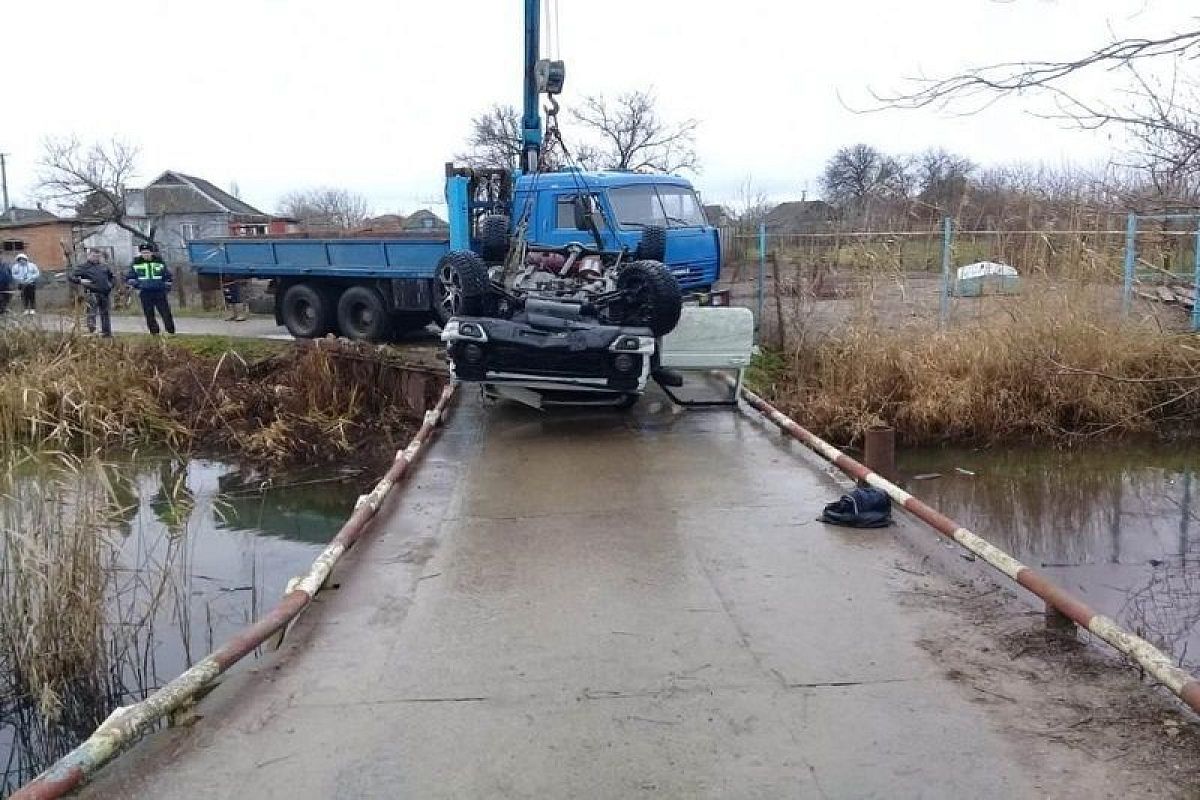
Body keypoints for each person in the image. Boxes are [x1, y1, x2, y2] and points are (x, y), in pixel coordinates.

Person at [126, 243, 176, 335]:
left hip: (159, 291)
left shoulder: (159, 262)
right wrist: (138, 285)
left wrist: (167, 287)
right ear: (140, 253)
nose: (145, 254)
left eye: (147, 252)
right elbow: (130, 277)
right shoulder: (136, 263)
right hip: (145, 292)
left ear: (151, 252)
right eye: (143, 253)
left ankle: (170, 331)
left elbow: (167, 276)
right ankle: (154, 332)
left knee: (165, 312)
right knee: (149, 313)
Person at [69, 249, 115, 337]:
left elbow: (112, 277)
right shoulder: (84, 267)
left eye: (97, 256)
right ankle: (92, 331)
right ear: (89, 256)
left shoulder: (103, 266)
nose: (96, 258)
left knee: (105, 313)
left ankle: (107, 333)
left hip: (104, 293)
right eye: (93, 256)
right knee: (92, 313)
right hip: (92, 293)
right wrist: (80, 281)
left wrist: (110, 285)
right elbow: (71, 276)